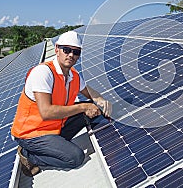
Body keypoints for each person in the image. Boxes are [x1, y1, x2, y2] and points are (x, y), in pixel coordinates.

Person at [11, 31, 111, 177]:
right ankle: (29, 155)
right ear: (57, 49)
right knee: (75, 157)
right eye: (67, 50)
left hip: (54, 126)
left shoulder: (73, 75)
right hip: (31, 134)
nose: (71, 55)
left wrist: (101, 101)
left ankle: (54, 144)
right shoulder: (43, 73)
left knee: (96, 108)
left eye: (76, 52)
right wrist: (83, 107)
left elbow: (90, 93)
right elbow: (46, 112)